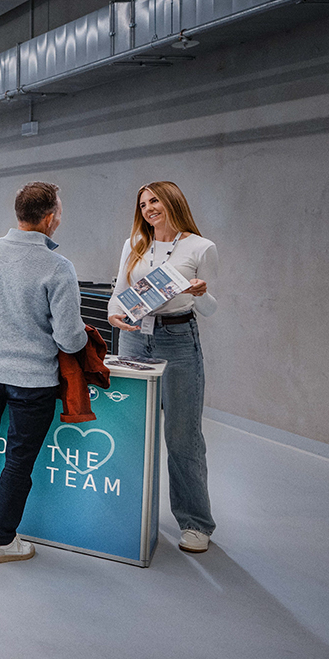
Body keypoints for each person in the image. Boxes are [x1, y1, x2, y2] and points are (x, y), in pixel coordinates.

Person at [0, 181, 87, 564]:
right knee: (18, 461)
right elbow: (71, 340)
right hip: (34, 382)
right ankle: (2, 542)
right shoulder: (58, 267)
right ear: (51, 218)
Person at [107, 181, 219, 554]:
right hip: (135, 337)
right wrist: (114, 316)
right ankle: (126, 510)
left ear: (172, 202)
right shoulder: (133, 244)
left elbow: (211, 306)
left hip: (178, 340)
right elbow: (119, 290)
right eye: (143, 204)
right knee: (129, 428)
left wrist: (199, 292)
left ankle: (195, 522)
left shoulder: (201, 247)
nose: (149, 208)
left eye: (154, 200)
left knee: (182, 434)